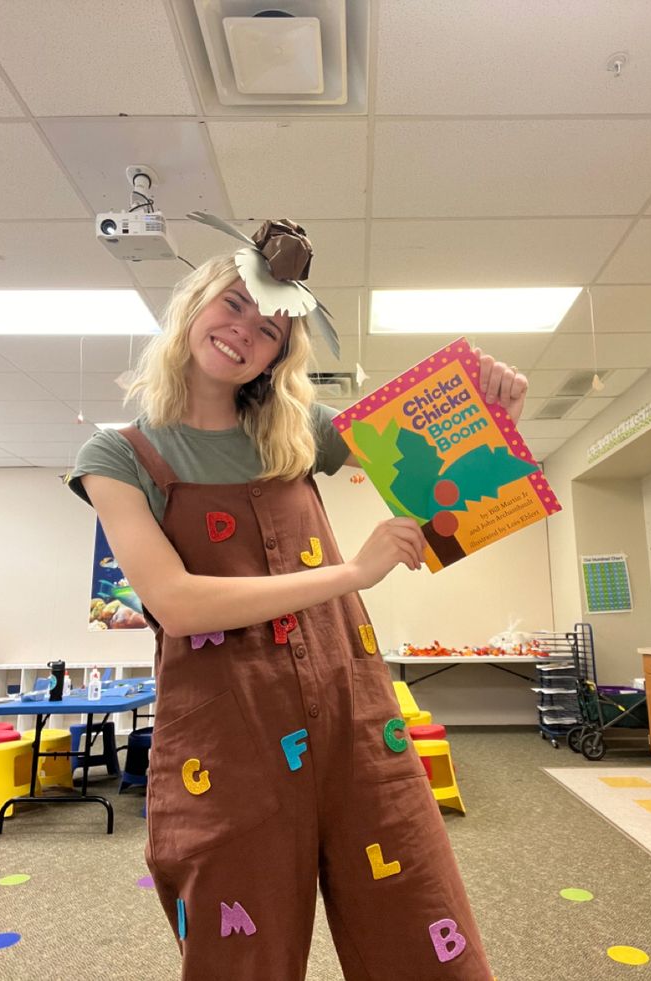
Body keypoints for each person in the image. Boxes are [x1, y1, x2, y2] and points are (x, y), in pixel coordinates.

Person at [67, 216, 528, 981]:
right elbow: (176, 602)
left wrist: (489, 403)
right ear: (196, 303)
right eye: (235, 305)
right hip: (224, 741)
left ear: (282, 351)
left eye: (273, 326)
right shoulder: (118, 455)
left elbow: (429, 458)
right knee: (241, 959)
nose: (247, 331)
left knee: (420, 930)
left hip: (353, 717)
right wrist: (354, 572)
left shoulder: (297, 429)